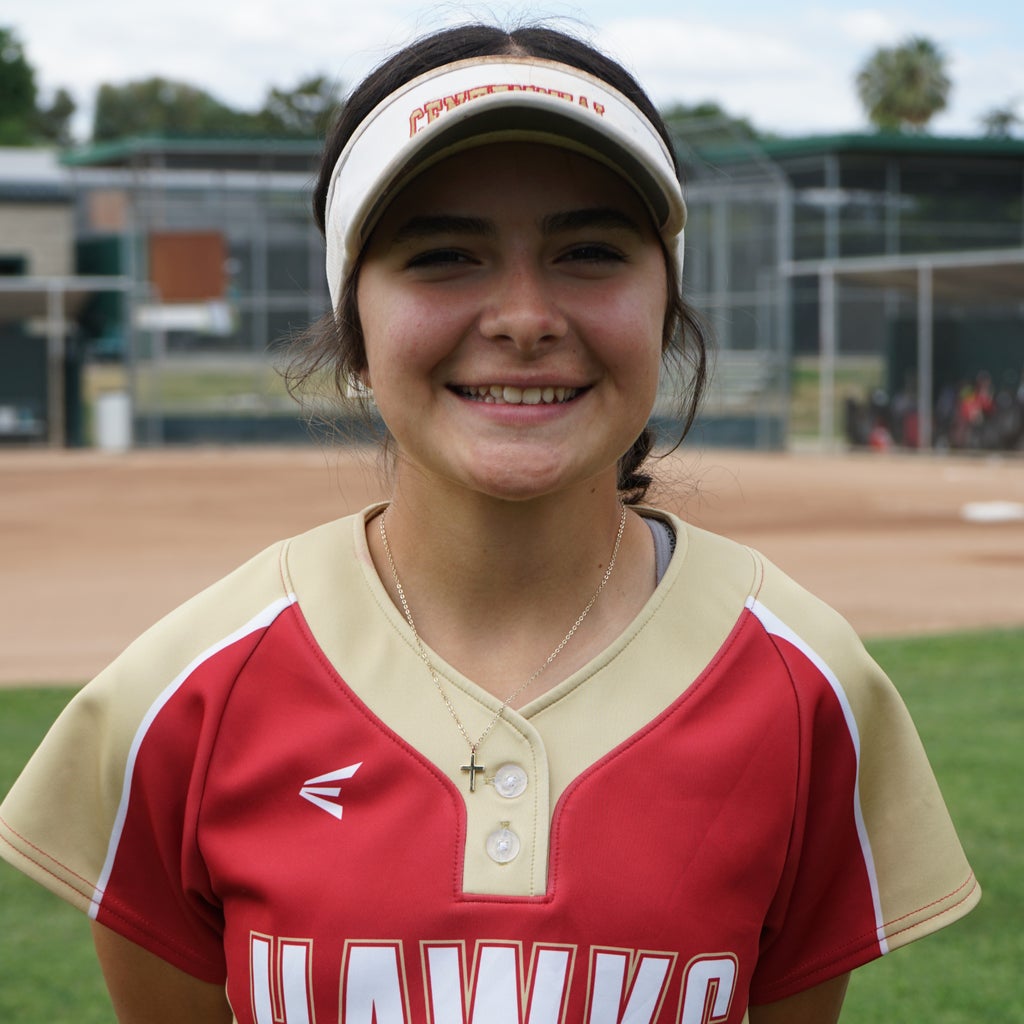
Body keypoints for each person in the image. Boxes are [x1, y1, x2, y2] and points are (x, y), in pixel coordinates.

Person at [0, 23, 979, 1024]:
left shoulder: (807, 687)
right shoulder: (181, 699)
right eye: (443, 255)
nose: (523, 317)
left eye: (589, 252)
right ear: (354, 325)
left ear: (666, 307)